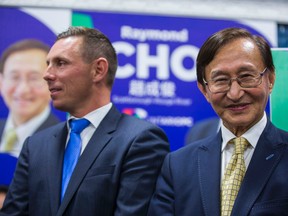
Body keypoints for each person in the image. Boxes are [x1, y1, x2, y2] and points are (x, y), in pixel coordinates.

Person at [0, 26, 170, 216]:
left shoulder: (140, 139)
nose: (47, 74)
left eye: (61, 63)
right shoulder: (36, 145)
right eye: (48, 64)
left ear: (98, 70)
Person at [148, 27, 288, 215]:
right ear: (204, 90)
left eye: (246, 76)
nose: (235, 93)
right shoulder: (178, 165)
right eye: (221, 80)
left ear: (270, 79)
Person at [0, 39, 60, 157]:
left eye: (34, 78)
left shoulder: (64, 142)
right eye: (14, 77)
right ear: (1, 82)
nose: (22, 90)